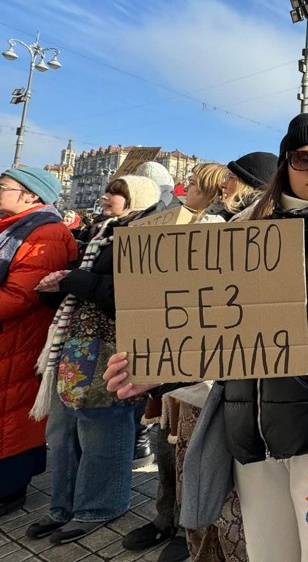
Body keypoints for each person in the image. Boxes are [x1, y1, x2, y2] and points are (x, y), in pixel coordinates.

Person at [105, 113, 308, 562]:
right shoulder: (240, 240)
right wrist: (156, 370)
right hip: (254, 439)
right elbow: (213, 331)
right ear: (285, 165)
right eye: (304, 157)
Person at [26, 175, 161, 544]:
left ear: (139, 199)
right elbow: (80, 287)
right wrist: (56, 289)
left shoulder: (144, 236)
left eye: (117, 193)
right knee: (64, 429)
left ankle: (100, 506)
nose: (106, 196)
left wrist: (74, 281)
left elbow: (136, 294)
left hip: (112, 347)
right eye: (108, 190)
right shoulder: (98, 233)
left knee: (103, 427)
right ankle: (63, 507)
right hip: (75, 343)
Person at [122, 162, 232, 562]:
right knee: (167, 446)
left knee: (192, 452)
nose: (184, 191)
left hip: (201, 367)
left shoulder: (219, 230)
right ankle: (167, 517)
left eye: (194, 185)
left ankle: (191, 527)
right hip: (169, 362)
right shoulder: (173, 222)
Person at [0, 168, 77, 517]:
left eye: (4, 186)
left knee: (12, 413)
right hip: (10, 337)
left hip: (20, 337)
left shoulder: (45, 233)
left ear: (31, 195)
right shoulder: (17, 226)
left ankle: (9, 490)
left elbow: (20, 294)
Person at [220, 151, 278, 219]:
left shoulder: (255, 218)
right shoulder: (241, 214)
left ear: (244, 184)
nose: (222, 184)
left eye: (230, 177)